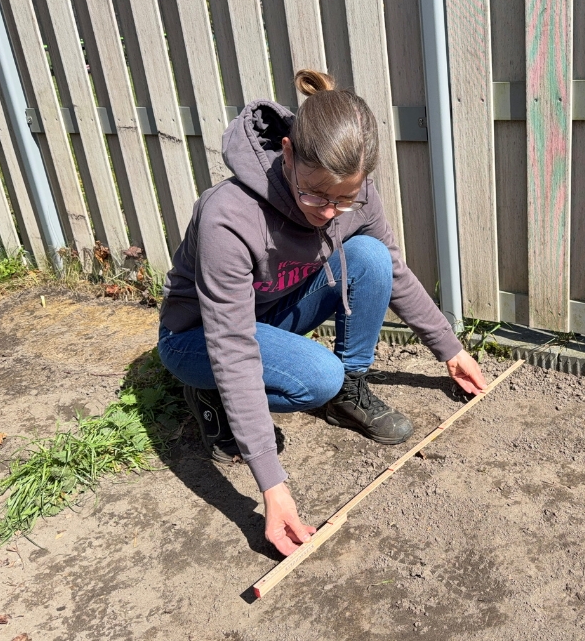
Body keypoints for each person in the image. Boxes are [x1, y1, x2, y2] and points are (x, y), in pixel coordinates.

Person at [157, 70, 488, 556]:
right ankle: (212, 395)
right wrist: (272, 485)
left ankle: (347, 390)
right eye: (314, 194)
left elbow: (392, 272)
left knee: (371, 257)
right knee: (316, 378)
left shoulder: (357, 197)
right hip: (199, 337)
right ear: (288, 154)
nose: (329, 212)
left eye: (344, 198)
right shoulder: (228, 216)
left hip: (272, 314)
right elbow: (232, 345)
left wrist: (450, 349)